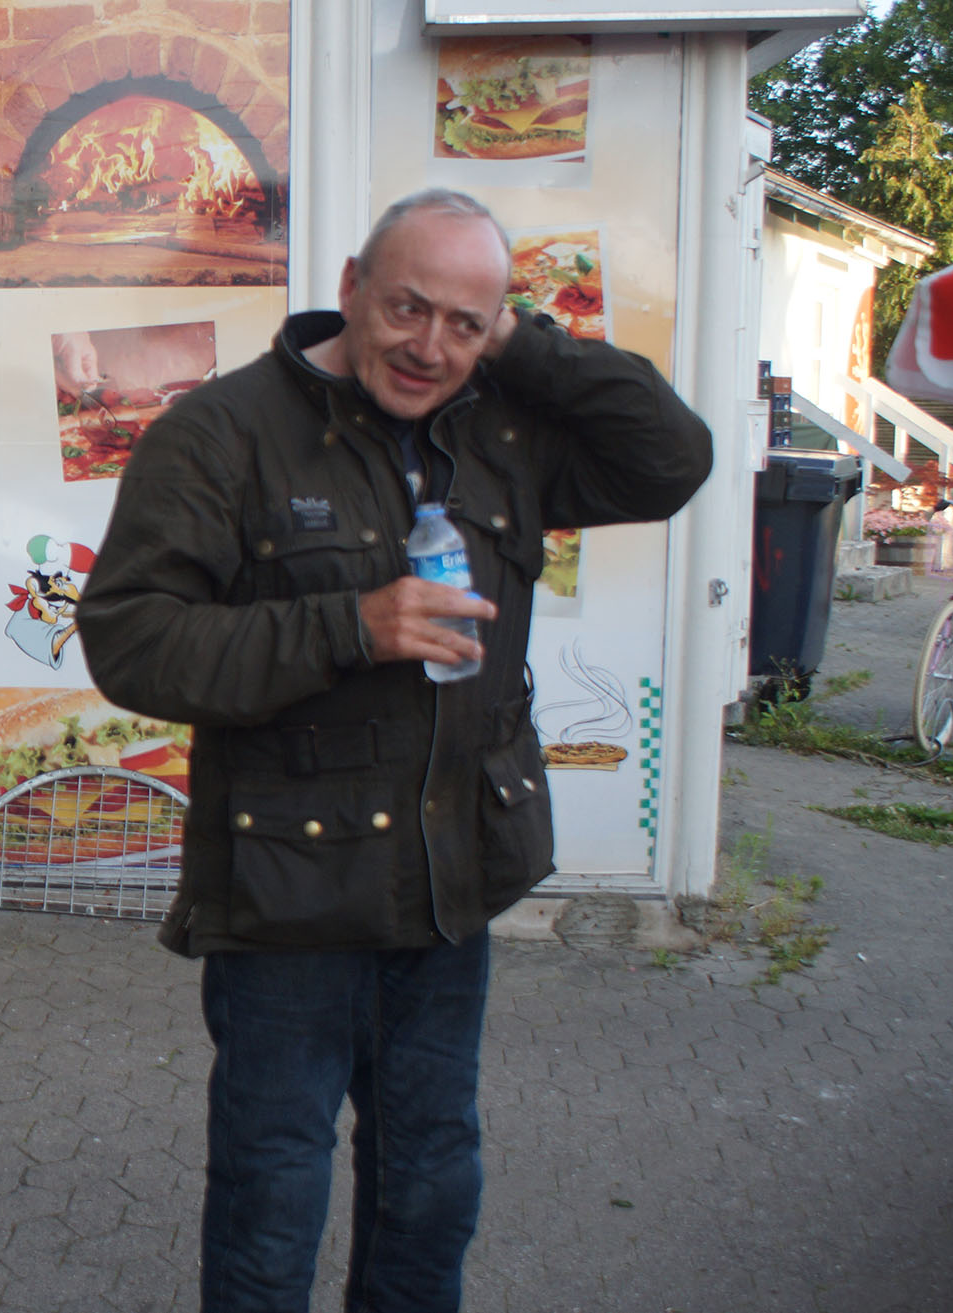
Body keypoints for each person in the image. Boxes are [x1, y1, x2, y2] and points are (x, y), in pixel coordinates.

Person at [75, 189, 711, 1312]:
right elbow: (133, 641)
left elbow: (671, 458)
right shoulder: (219, 432)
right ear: (351, 287)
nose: (429, 347)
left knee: (430, 1183)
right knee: (271, 1196)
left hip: (447, 880)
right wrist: (349, 626)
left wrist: (520, 344)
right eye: (408, 307)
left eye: (465, 323)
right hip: (287, 893)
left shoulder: (501, 429)